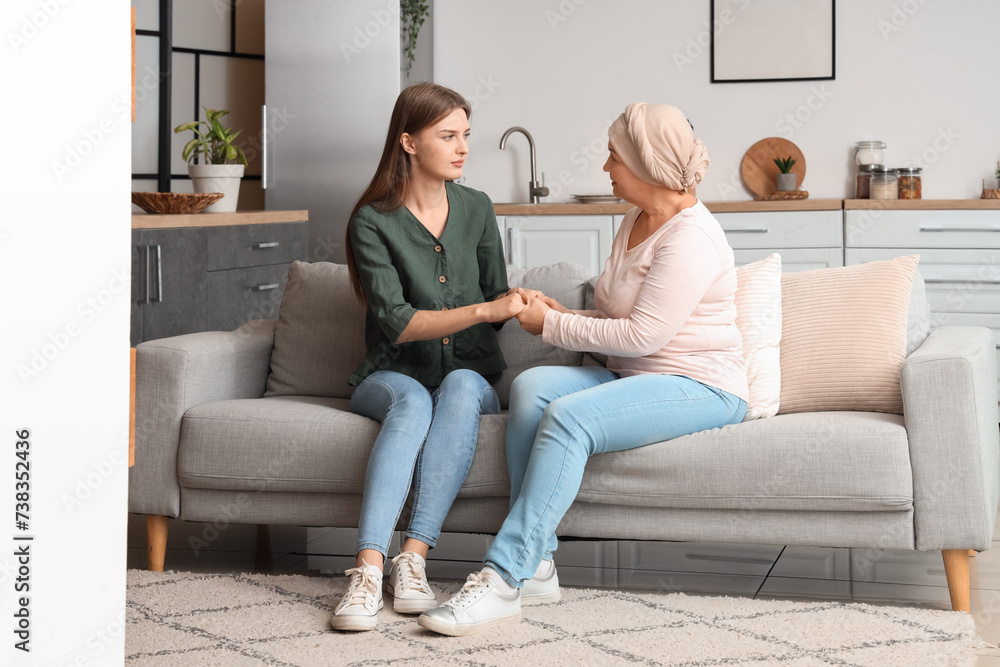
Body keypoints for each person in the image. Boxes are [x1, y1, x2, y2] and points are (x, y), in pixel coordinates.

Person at [417, 103, 750, 637]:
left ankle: (504, 576)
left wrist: (551, 325)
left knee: (570, 419)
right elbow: (622, 320)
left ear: (649, 164)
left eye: (614, 156)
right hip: (635, 375)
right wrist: (566, 315)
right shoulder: (636, 220)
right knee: (533, 386)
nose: (605, 168)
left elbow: (645, 336)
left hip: (700, 385)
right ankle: (541, 566)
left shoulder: (691, 237)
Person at [331, 82, 526, 632]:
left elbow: (497, 296)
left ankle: (412, 559)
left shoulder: (478, 208)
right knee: (413, 402)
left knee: (463, 384)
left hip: (469, 373)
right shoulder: (372, 219)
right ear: (410, 142)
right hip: (391, 374)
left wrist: (517, 307)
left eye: (466, 135)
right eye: (448, 135)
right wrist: (485, 311)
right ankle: (367, 569)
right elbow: (398, 321)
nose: (462, 147)